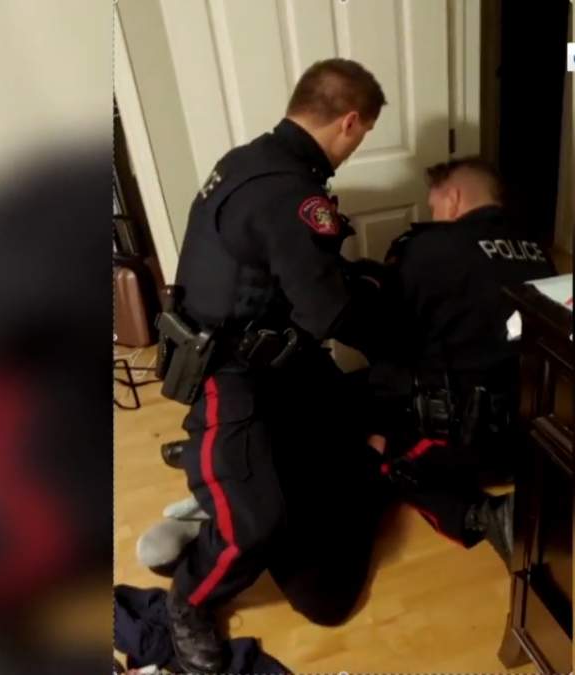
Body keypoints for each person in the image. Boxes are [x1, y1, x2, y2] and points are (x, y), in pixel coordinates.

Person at [156, 59, 391, 673]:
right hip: (231, 372)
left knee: (352, 422)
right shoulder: (294, 191)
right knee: (254, 528)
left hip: (274, 356)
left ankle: (219, 480)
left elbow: (275, 271)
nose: (355, 147)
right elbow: (331, 312)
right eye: (362, 134)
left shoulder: (248, 159)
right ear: (348, 121)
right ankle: (188, 598)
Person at [369, 157, 557, 564]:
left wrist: (379, 429)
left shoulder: (426, 249)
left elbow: (391, 347)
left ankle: (482, 516)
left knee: (387, 462)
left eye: (434, 204)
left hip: (461, 439)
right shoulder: (539, 252)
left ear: (452, 198)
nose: (434, 214)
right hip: (530, 434)